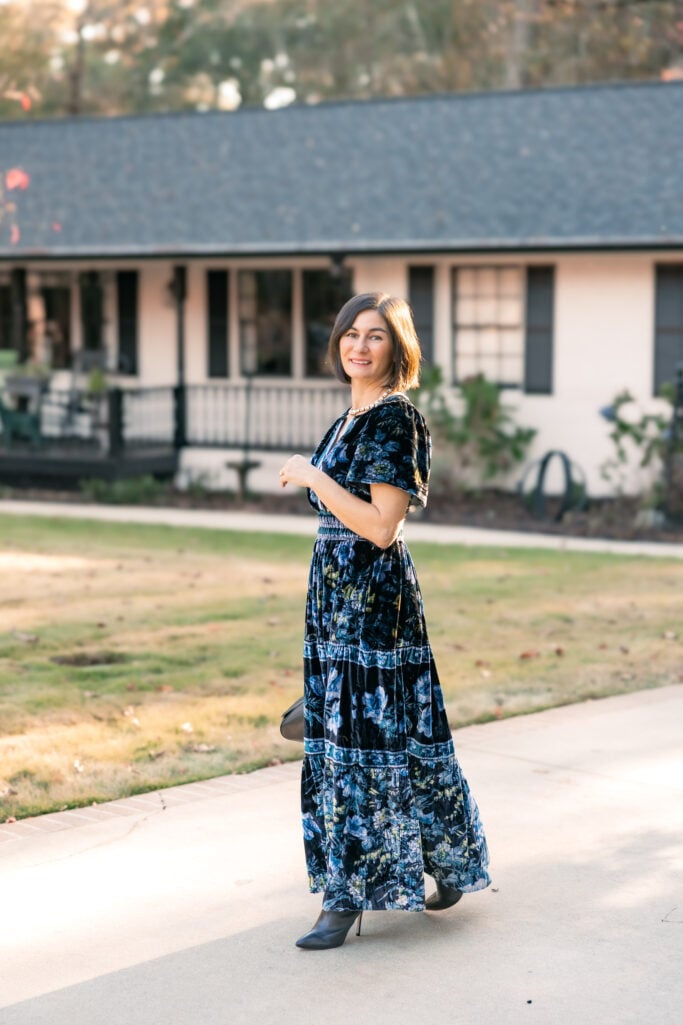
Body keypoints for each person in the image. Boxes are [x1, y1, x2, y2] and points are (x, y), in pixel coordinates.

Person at [279, 292, 490, 950]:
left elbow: (379, 526)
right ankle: (450, 861)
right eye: (350, 334)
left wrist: (314, 474)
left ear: (396, 350)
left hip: (377, 606)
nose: (358, 346)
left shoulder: (395, 419)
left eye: (375, 336)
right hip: (333, 605)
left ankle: (343, 899)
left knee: (359, 751)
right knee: (385, 740)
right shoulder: (349, 417)